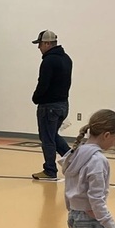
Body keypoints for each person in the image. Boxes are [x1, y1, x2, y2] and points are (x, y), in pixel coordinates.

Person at [30, 30, 72, 180]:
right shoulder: (67, 59)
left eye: (40, 44)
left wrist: (36, 98)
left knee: (47, 138)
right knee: (52, 135)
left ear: (47, 43)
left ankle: (50, 170)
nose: (39, 48)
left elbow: (43, 84)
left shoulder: (48, 61)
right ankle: (73, 161)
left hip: (49, 106)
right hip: (63, 104)